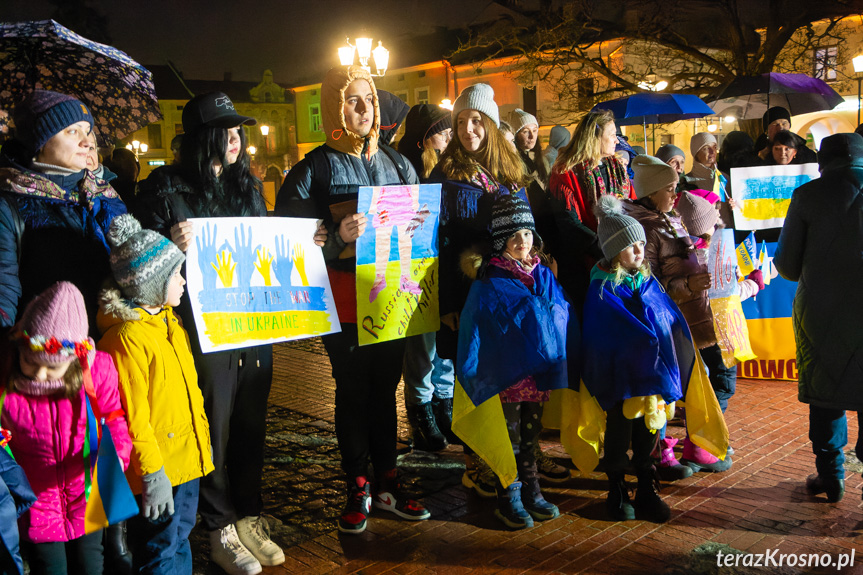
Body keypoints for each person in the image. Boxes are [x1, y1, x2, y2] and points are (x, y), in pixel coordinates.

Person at [275, 66, 429, 535]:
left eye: (368, 100)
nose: (363, 109)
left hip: (390, 294)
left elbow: (415, 225)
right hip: (341, 300)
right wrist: (333, 234)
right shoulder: (313, 167)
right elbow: (287, 236)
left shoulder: (399, 164)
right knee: (353, 390)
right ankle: (357, 483)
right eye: (352, 101)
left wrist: (419, 223)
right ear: (335, 108)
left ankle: (387, 479)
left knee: (386, 390)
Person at [134, 91, 284, 573]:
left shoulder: (248, 185)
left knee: (250, 425)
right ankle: (219, 525)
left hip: (252, 325)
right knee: (214, 427)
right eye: (227, 131)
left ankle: (249, 516)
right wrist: (168, 243)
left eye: (239, 131)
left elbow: (265, 249)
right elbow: (143, 264)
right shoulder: (165, 186)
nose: (237, 140)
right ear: (202, 138)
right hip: (202, 330)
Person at [97, 214, 212, 574]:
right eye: (175, 275)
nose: (182, 281)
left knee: (180, 536)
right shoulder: (127, 339)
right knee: (159, 547)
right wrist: (151, 474)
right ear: (151, 285)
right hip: (161, 471)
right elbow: (132, 418)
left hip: (185, 461)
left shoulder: (169, 323)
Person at [456, 194, 576, 529]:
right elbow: (483, 325)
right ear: (501, 242)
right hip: (507, 378)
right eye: (515, 236)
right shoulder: (490, 281)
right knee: (508, 438)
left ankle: (532, 490)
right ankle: (508, 495)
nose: (523, 241)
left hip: (536, 377)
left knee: (530, 435)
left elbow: (558, 310)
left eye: (527, 234)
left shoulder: (542, 275)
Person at [2, 282, 132, 575]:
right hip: (38, 504)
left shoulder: (97, 371)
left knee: (92, 563)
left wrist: (118, 456)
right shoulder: (6, 377)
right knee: (52, 568)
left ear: (75, 359)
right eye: (30, 361)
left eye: (52, 367)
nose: (39, 373)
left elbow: (113, 417)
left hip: (87, 494)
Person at [582, 195, 692, 523]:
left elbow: (663, 314)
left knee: (649, 429)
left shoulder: (646, 281)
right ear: (613, 251)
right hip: (620, 378)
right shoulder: (602, 289)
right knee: (619, 432)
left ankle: (646, 483)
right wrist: (644, 337)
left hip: (651, 376)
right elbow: (604, 332)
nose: (639, 252)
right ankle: (616, 486)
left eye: (641, 244)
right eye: (631, 246)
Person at [623, 156, 732, 473]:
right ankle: (656, 452)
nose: (675, 194)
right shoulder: (646, 227)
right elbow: (647, 281)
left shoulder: (668, 218)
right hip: (664, 320)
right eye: (669, 189)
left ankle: (695, 445)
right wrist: (687, 283)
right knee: (663, 385)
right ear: (650, 192)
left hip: (686, 317)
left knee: (693, 381)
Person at [774, 132, 863, 504]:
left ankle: (831, 476)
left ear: (823, 162)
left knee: (827, 395)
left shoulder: (808, 195)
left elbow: (787, 266)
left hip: (821, 312)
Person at [0, 90, 126, 333]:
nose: (87, 141)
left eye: (87, 130)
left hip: (112, 348)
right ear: (40, 140)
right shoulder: (9, 204)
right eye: (72, 131)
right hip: (52, 356)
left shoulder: (104, 195)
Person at [397, 103, 455, 451]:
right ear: (424, 137)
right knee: (421, 345)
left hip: (443, 264)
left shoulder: (448, 167)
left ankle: (443, 406)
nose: (449, 137)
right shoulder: (407, 169)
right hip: (415, 267)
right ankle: (421, 412)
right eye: (442, 131)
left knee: (443, 340)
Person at [548, 109, 632, 309]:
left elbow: (632, 208)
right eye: (612, 134)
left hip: (622, 256)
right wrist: (606, 248)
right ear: (594, 137)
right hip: (586, 262)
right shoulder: (566, 172)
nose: (617, 140)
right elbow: (569, 223)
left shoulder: (618, 168)